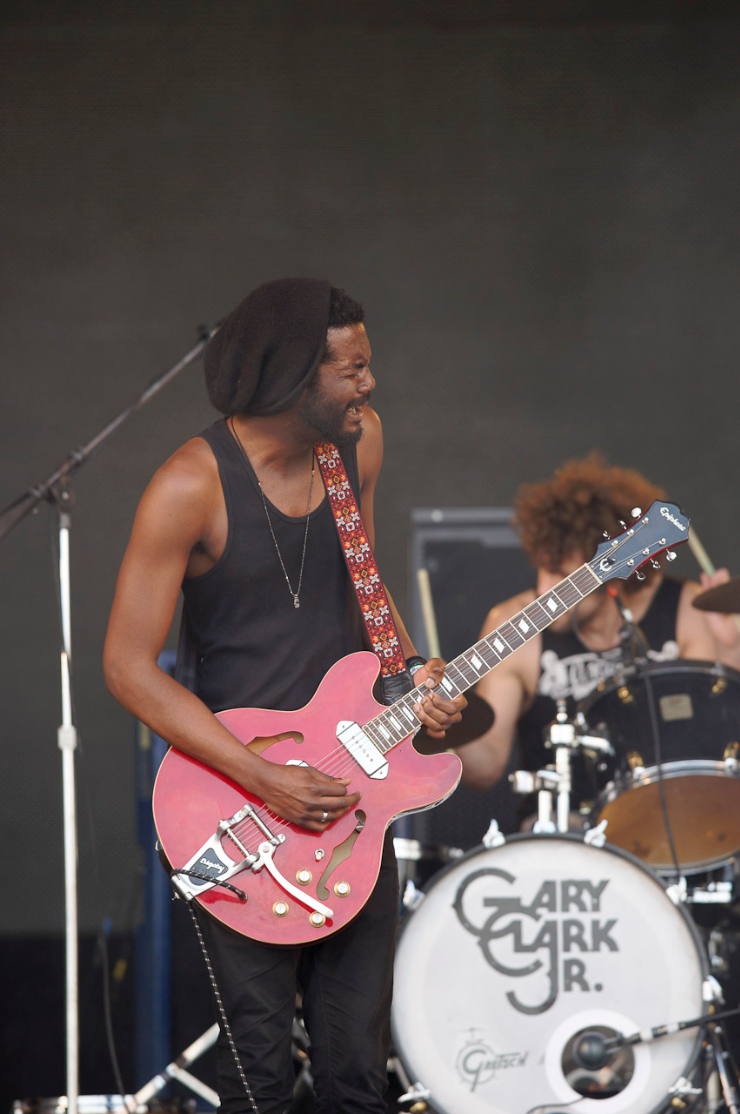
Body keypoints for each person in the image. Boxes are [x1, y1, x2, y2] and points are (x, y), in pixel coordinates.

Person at [103, 277, 465, 1114]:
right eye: (352, 369)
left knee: (357, 1075)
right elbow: (127, 666)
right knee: (257, 1078)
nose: (370, 384)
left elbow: (365, 586)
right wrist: (264, 778)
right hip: (237, 804)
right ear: (294, 376)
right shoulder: (189, 486)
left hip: (354, 791)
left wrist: (410, 677)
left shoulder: (358, 444)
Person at [455, 453, 740, 794]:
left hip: (671, 810)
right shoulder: (513, 625)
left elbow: (715, 739)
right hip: (558, 821)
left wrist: (731, 651)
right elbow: (485, 768)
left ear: (612, 577)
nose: (545, 589)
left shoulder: (684, 609)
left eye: (562, 576)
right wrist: (444, 726)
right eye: (544, 569)